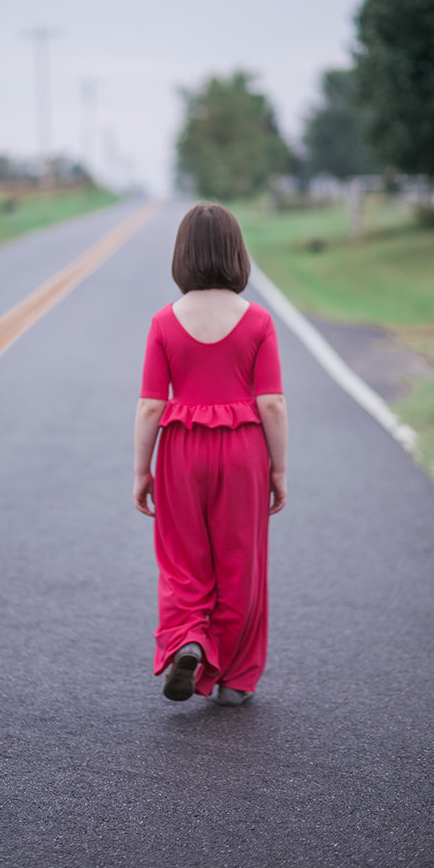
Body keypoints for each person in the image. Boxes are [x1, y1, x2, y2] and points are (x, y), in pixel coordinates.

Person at [133, 202, 288, 707]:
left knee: (183, 561)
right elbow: (272, 404)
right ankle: (237, 678)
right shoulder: (258, 320)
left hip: (180, 453)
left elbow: (151, 405)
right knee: (241, 562)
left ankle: (190, 640)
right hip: (243, 452)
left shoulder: (163, 321)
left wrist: (142, 469)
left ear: (183, 256)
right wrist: (278, 468)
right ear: (236, 253)